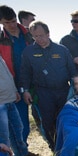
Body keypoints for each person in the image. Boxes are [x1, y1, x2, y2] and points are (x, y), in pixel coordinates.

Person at [20, 21, 77, 151]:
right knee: (48, 121)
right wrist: (25, 91)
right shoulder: (28, 52)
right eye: (35, 36)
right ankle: (54, 147)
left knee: (65, 119)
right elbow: (24, 73)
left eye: (41, 35)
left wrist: (76, 88)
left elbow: (72, 70)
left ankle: (69, 145)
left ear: (48, 33)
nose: (39, 39)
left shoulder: (61, 49)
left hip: (63, 91)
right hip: (43, 92)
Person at [0, 5, 33, 145]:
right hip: (15, 84)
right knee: (20, 121)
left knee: (42, 115)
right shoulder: (1, 40)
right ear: (1, 22)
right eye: (7, 22)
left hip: (35, 81)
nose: (12, 25)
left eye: (13, 21)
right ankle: (22, 149)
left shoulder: (29, 33)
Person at [0, 55, 32, 156]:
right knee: (3, 134)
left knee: (17, 128)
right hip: (1, 102)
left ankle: (21, 154)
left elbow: (8, 75)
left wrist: (14, 91)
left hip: (9, 99)